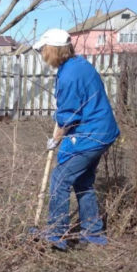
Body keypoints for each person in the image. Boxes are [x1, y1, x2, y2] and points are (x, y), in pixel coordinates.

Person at [33, 29, 120, 250]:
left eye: (44, 51)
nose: (43, 55)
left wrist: (56, 139)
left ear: (53, 50)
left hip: (91, 135)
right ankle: (93, 234)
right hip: (102, 132)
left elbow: (70, 115)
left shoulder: (70, 75)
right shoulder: (78, 65)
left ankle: (57, 235)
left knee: (60, 180)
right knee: (83, 182)